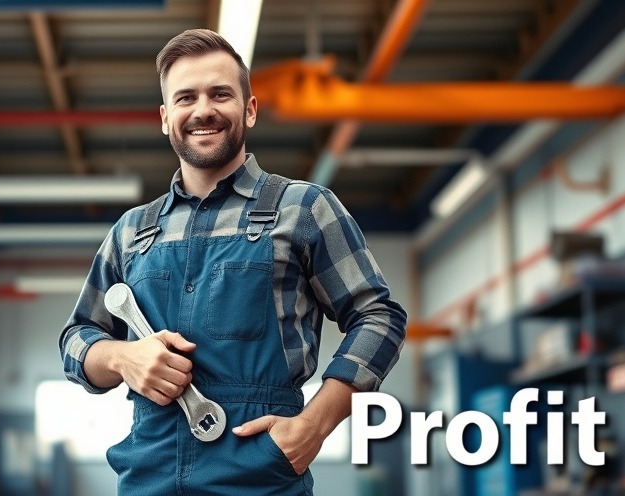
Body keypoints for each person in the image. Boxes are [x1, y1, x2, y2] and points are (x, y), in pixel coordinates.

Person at [59, 28, 407, 495]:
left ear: (250, 108)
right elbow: (77, 340)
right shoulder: (131, 232)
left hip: (260, 477)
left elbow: (378, 317)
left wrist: (314, 426)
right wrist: (124, 357)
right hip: (148, 477)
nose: (202, 110)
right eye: (186, 98)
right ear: (165, 118)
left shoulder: (303, 209)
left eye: (220, 93)